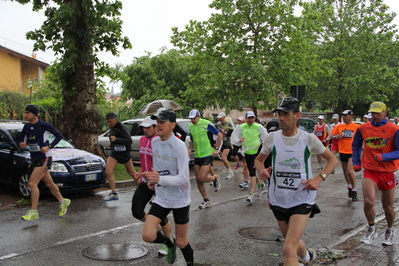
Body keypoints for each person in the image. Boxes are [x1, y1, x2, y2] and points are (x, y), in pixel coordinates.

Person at [255, 97, 338, 265]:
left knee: (287, 249)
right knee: (290, 241)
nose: (281, 118)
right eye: (279, 114)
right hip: (278, 198)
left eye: (286, 114)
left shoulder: (308, 139)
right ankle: (308, 257)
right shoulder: (272, 138)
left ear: (297, 116)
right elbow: (258, 161)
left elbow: (332, 160)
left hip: (301, 198)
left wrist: (319, 178)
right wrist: (262, 171)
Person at [141, 109, 193, 265]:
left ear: (172, 125)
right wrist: (152, 179)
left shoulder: (179, 146)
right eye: (157, 121)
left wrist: (160, 179)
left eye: (162, 122)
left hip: (180, 199)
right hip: (162, 198)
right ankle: (169, 244)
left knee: (182, 242)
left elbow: (184, 179)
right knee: (148, 236)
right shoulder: (155, 142)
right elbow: (158, 169)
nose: (159, 124)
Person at [352, 101, 399, 246]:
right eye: (373, 113)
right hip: (370, 170)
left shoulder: (394, 129)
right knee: (368, 201)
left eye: (378, 113)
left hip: (388, 172)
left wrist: (382, 157)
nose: (375, 116)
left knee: (388, 206)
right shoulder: (363, 128)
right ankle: (372, 228)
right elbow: (356, 146)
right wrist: (356, 162)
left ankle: (390, 230)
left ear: (385, 112)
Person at [20, 104, 71, 220]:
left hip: (45, 157)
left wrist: (49, 146)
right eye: (25, 112)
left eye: (28, 112)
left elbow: (59, 136)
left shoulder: (44, 125)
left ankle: (33, 211)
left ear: (35, 114)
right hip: (34, 157)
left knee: (32, 183)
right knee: (49, 183)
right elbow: (22, 141)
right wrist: (23, 145)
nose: (26, 115)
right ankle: (63, 201)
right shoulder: (26, 127)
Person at [131, 116, 172, 256]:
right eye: (144, 127)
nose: (145, 130)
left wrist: (157, 180)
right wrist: (141, 171)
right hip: (145, 181)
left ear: (156, 127)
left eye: (148, 127)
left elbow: (166, 164)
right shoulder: (142, 140)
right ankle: (158, 226)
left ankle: (168, 243)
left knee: (161, 215)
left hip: (159, 182)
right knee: (136, 211)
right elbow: (144, 160)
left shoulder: (160, 142)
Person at [188, 109, 223, 209]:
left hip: (207, 154)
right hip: (197, 155)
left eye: (194, 118)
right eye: (191, 119)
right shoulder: (190, 126)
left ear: (199, 116)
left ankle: (215, 178)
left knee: (202, 177)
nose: (192, 120)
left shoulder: (206, 123)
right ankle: (206, 200)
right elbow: (192, 140)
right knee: (198, 180)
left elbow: (219, 135)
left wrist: (216, 149)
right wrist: (190, 148)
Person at [231, 111, 267, 203]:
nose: (250, 120)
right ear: (245, 118)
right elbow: (234, 137)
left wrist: (261, 143)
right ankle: (260, 185)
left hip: (256, 152)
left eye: (252, 118)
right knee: (252, 171)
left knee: (252, 171)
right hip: (247, 152)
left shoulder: (259, 127)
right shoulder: (241, 127)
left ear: (254, 118)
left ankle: (251, 194)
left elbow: (266, 137)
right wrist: (239, 140)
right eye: (249, 118)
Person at [103, 112, 137, 201]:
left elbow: (129, 140)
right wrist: (112, 143)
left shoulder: (122, 128)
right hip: (115, 154)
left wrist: (117, 140)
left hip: (124, 154)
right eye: (108, 122)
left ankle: (144, 190)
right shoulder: (112, 128)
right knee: (108, 171)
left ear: (116, 120)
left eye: (110, 121)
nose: (109, 124)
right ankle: (114, 193)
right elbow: (113, 138)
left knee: (132, 172)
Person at [329, 110, 360, 201]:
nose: (344, 117)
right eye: (343, 116)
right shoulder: (339, 126)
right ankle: (350, 186)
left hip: (352, 151)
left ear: (351, 116)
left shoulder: (357, 127)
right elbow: (331, 135)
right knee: (345, 172)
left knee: (350, 171)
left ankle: (354, 191)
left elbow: (364, 136)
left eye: (346, 116)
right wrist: (336, 137)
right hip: (342, 151)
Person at [215, 112, 235, 179]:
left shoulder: (229, 123)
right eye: (219, 118)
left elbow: (233, 132)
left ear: (224, 117)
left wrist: (225, 132)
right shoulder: (218, 124)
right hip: (221, 142)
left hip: (228, 142)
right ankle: (213, 176)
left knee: (223, 158)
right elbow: (216, 131)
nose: (220, 119)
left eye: (221, 117)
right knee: (222, 158)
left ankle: (230, 172)